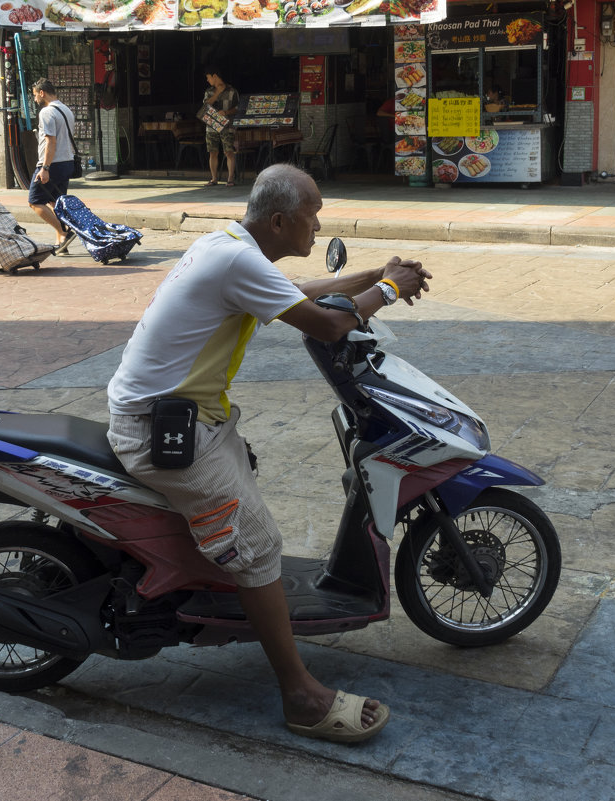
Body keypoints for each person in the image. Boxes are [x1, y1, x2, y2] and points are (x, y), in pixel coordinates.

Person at [106, 164, 431, 743]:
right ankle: (301, 696)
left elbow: (299, 295)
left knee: (244, 529)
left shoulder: (230, 246)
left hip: (185, 418)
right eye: (313, 213)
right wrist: (388, 290)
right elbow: (328, 325)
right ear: (280, 220)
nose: (319, 222)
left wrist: (377, 274)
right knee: (259, 547)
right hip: (165, 432)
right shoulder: (234, 259)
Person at [28, 78, 78, 253]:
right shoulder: (66, 109)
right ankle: (61, 244)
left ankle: (63, 233)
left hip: (52, 163)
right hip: (66, 161)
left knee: (34, 201)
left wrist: (45, 168)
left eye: (35, 95)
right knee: (55, 202)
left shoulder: (47, 112)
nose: (35, 100)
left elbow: (51, 142)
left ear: (42, 93)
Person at [202, 66, 239, 187]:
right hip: (211, 125)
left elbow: (238, 108)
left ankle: (230, 179)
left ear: (214, 76)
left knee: (229, 152)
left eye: (208, 77)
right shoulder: (209, 91)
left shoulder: (232, 91)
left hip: (227, 126)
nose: (208, 80)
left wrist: (226, 112)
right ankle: (214, 178)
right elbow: (205, 106)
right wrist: (217, 92)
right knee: (213, 152)